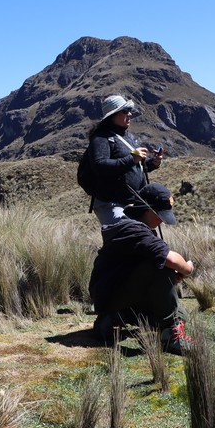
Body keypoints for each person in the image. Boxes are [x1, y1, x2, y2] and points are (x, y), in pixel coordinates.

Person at [88, 183, 195, 354]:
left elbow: (137, 272)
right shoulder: (135, 230)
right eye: (159, 215)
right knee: (162, 265)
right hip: (109, 295)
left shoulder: (133, 228)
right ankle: (171, 336)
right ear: (147, 209)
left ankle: (117, 317)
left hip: (112, 293)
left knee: (181, 314)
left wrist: (168, 281)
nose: (162, 220)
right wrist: (187, 269)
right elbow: (170, 259)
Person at [84, 94, 164, 225]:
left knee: (139, 238)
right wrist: (132, 158)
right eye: (125, 111)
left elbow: (134, 167)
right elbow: (99, 166)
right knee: (127, 235)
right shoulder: (101, 138)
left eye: (130, 111)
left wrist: (153, 163)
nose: (130, 114)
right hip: (111, 203)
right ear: (112, 115)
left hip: (132, 202)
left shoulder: (127, 137)